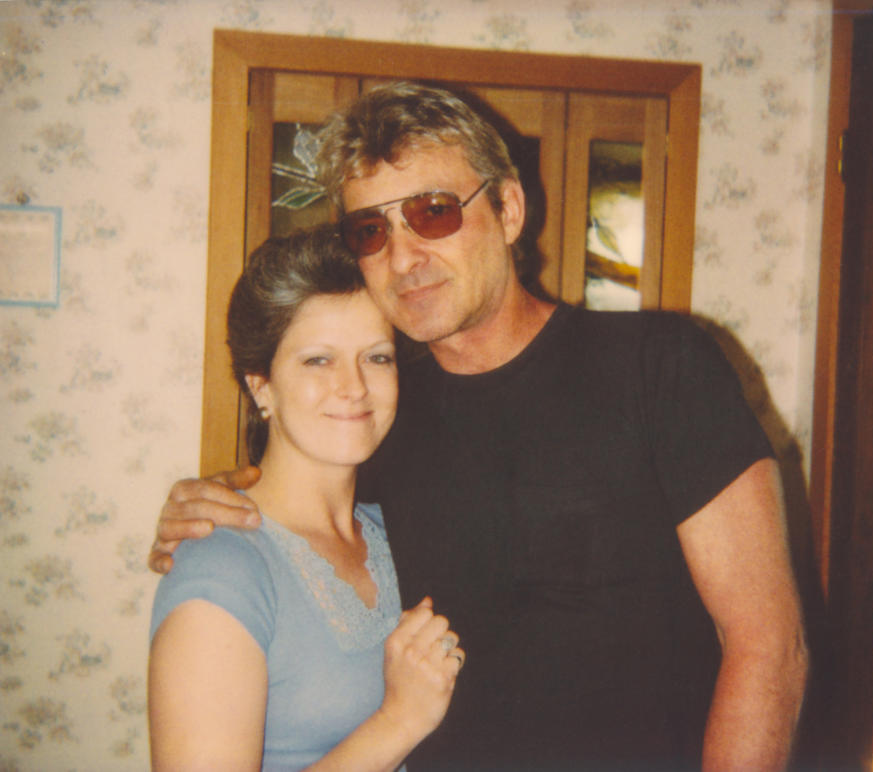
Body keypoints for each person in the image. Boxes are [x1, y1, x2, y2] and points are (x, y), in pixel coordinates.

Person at [150, 82, 809, 771]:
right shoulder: (380, 404)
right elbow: (298, 500)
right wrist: (212, 499)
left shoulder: (661, 369)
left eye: (434, 213)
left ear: (510, 209)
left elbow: (768, 644)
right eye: (371, 231)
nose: (404, 258)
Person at [148, 225, 465, 772]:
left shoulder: (399, 529)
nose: (354, 386)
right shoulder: (222, 571)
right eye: (318, 360)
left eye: (377, 358)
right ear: (260, 384)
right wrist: (400, 721)